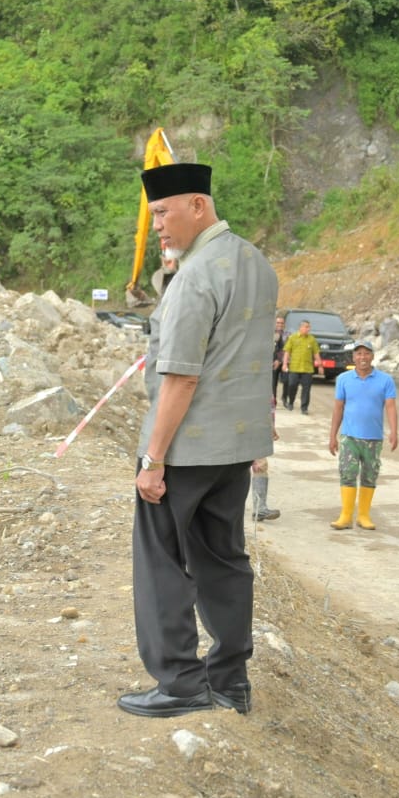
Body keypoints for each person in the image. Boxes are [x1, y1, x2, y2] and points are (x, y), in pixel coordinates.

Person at [119, 162, 278, 720]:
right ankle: (230, 681)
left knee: (162, 562)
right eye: (154, 215)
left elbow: (181, 377)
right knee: (224, 559)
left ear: (196, 205)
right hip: (235, 446)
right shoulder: (254, 262)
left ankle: (180, 681)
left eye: (163, 213)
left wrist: (153, 458)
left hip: (186, 448)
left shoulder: (196, 276)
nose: (157, 225)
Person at [327, 339, 398, 530]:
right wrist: (332, 435)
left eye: (366, 353)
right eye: (358, 354)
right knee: (347, 474)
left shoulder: (385, 380)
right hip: (349, 437)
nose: (362, 357)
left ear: (372, 356)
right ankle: (346, 516)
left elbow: (390, 406)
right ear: (353, 357)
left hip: (373, 438)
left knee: (369, 476)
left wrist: (394, 431)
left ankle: (364, 516)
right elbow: (338, 408)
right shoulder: (343, 379)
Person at [250, 394, 281, 522]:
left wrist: (271, 426)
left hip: (258, 427)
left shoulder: (263, 379)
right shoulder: (252, 380)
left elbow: (268, 408)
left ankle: (260, 508)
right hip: (248, 427)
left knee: (260, 465)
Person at [281, 319, 323, 414]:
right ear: (301, 327)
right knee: (292, 385)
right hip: (294, 367)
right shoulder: (293, 338)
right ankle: (291, 402)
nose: (308, 329)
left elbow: (316, 353)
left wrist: (320, 366)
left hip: (307, 369)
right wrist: (284, 364)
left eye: (309, 327)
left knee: (306, 389)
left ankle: (304, 408)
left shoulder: (312, 339)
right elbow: (287, 352)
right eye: (306, 327)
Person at [271, 316, 287, 403]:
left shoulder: (288, 335)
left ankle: (284, 398)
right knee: (273, 382)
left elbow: (283, 349)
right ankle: (273, 401)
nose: (279, 325)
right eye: (278, 322)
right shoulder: (270, 333)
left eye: (281, 323)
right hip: (274, 362)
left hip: (286, 362)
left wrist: (280, 360)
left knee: (287, 381)